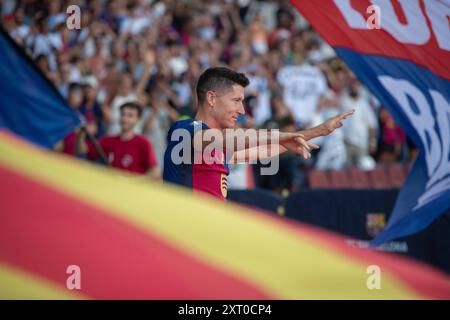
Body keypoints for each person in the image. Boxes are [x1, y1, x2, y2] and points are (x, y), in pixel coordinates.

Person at [163, 67, 354, 200]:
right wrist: (285, 136)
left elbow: (259, 150)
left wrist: (314, 133)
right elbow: (233, 140)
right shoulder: (186, 129)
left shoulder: (219, 146)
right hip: (185, 237)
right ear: (211, 98)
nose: (242, 110)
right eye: (236, 100)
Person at [78, 102, 160, 179]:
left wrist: (134, 182)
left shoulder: (143, 143)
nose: (125, 118)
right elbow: (81, 149)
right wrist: (82, 132)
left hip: (134, 191)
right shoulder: (109, 140)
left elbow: (155, 171)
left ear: (137, 120)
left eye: (130, 115)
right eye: (123, 114)